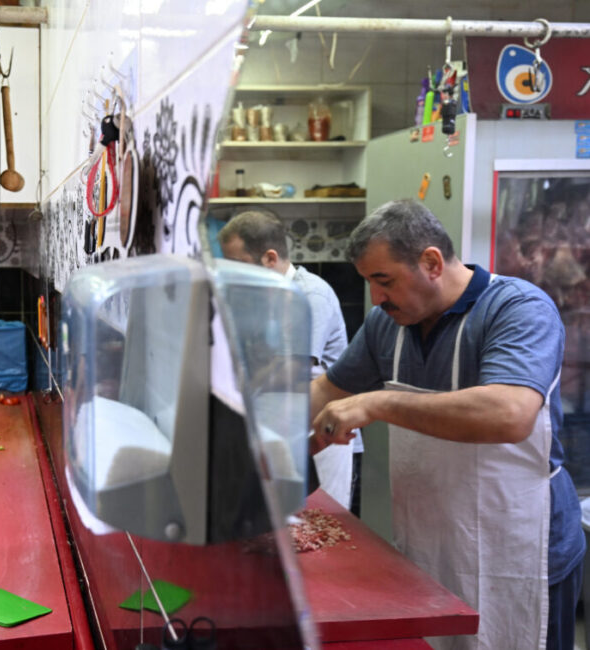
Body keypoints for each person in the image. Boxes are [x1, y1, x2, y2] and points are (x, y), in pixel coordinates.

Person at [311, 199, 584, 650]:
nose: (376, 298)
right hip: (432, 544)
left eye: (384, 281)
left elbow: (509, 414)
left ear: (432, 262)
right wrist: (257, 434)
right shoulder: (387, 324)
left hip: (522, 550)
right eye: (369, 283)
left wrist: (378, 403)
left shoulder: (517, 309)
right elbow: (326, 392)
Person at [219, 209, 357, 509]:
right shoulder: (261, 297)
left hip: (320, 432)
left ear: (270, 258)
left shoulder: (310, 296)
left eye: (238, 264)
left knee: (324, 524)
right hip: (279, 426)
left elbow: (287, 371)